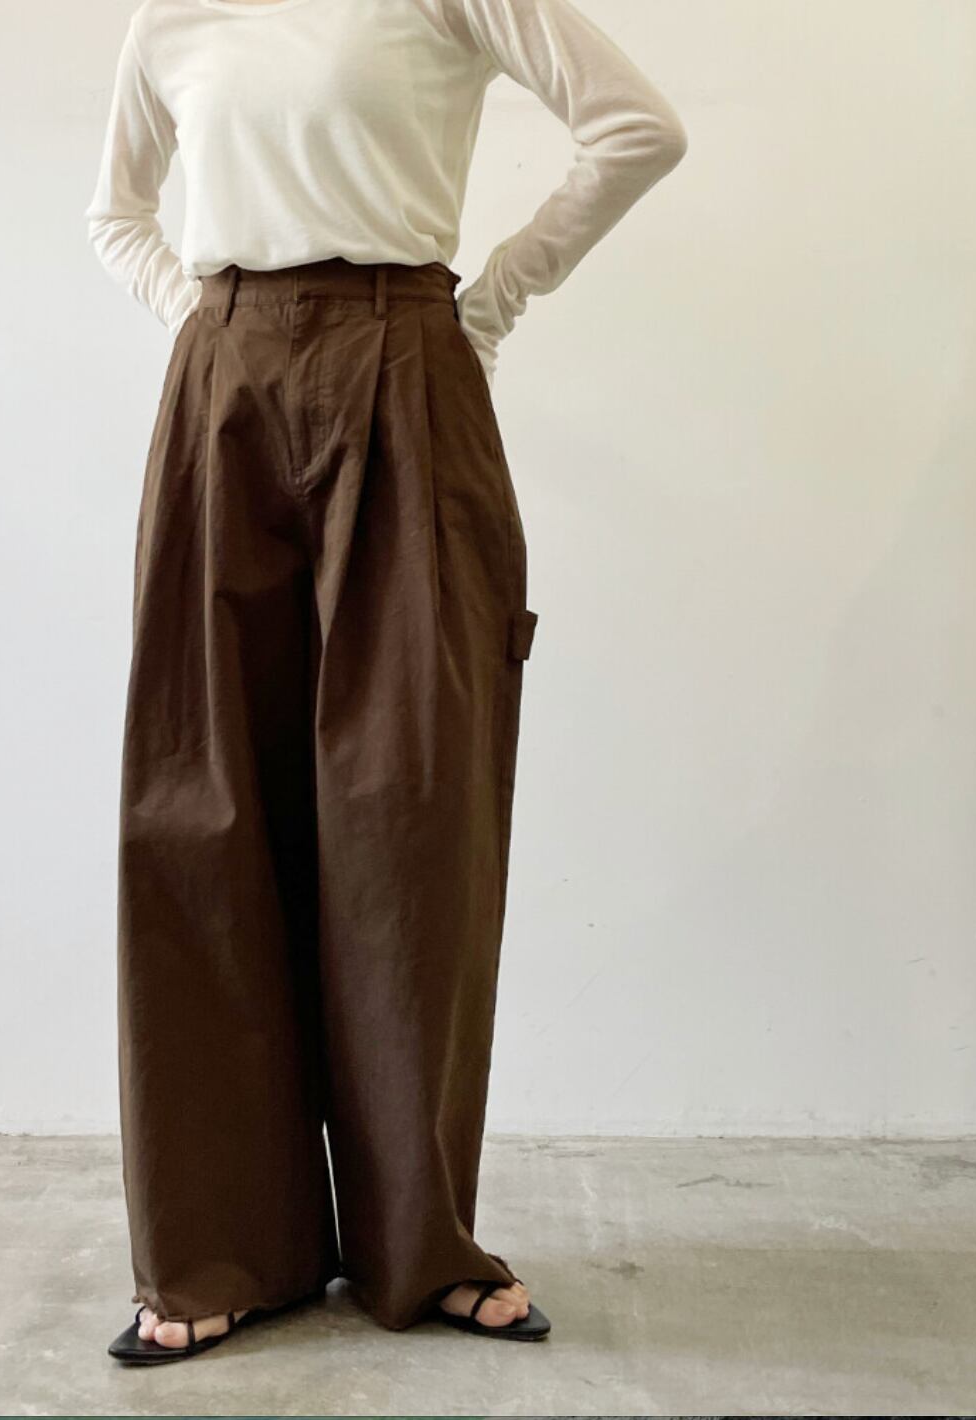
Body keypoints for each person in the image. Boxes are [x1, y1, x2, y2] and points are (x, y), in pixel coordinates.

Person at [84, 0, 686, 1364]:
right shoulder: (175, 15)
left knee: (413, 805)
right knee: (198, 803)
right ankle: (217, 1248)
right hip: (223, 383)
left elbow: (636, 129)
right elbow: (113, 212)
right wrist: (207, 317)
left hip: (408, 362)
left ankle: (420, 1244)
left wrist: (490, 303)